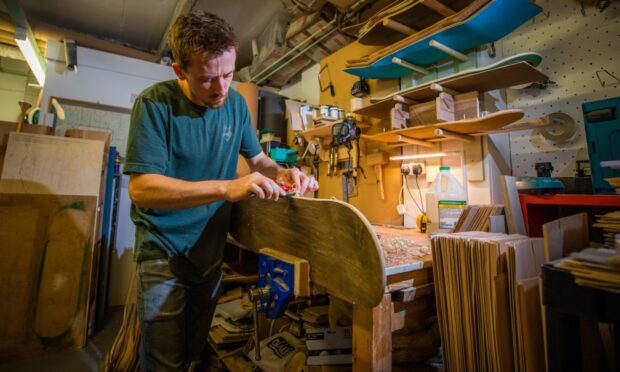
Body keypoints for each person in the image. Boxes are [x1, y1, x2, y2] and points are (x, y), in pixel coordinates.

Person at [124, 10, 318, 371]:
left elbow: (258, 159)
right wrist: (228, 187)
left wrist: (287, 172)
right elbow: (142, 188)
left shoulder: (233, 106)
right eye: (207, 80)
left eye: (228, 75)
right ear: (180, 71)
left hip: (208, 254)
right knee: (164, 364)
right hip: (163, 252)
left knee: (194, 354)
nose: (221, 89)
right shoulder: (155, 104)